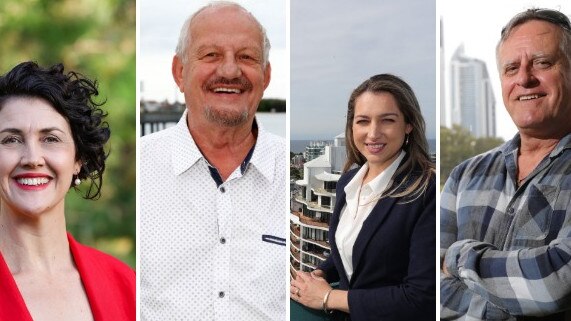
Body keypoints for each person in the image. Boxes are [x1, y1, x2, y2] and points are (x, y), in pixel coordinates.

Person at [140, 2, 286, 320]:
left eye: (246, 57)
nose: (230, 71)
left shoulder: (289, 173)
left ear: (266, 74)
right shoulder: (140, 168)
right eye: (211, 55)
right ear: (180, 72)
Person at [440, 8, 571, 321]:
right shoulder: (465, 175)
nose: (524, 78)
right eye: (511, 68)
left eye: (542, 63)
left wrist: (458, 258)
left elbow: (555, 283)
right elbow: (430, 285)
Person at [291, 74, 436, 321]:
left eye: (387, 120)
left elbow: (422, 299)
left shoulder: (426, 189)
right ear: (352, 127)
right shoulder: (348, 182)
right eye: (363, 121)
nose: (373, 133)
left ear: (408, 124)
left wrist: (328, 298)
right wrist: (321, 273)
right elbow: (355, 249)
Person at [0, 61, 135, 320]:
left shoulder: (126, 284)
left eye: (50, 139)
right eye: (11, 139)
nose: (32, 158)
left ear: (78, 159)